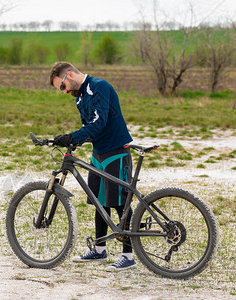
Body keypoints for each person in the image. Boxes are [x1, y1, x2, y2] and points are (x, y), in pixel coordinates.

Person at [49, 61, 135, 272]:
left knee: (120, 204)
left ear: (69, 75)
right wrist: (72, 140)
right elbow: (89, 128)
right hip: (99, 153)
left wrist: (73, 136)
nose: (64, 92)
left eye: (62, 86)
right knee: (99, 202)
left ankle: (128, 255)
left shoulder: (99, 87)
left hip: (116, 151)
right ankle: (99, 250)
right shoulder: (79, 98)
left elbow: (99, 122)